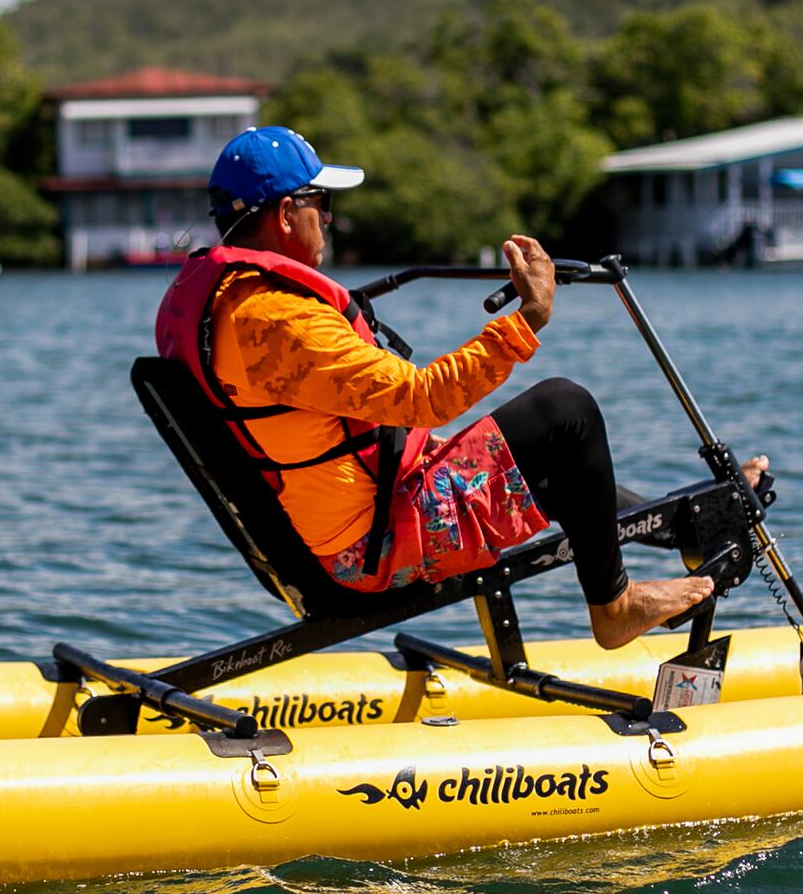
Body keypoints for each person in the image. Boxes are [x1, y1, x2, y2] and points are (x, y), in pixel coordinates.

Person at [154, 126, 766, 650]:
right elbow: (426, 397)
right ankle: (615, 608)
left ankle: (686, 525)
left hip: (330, 530)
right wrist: (526, 320)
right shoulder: (282, 324)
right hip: (371, 550)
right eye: (321, 200)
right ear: (287, 214)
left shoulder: (228, 307)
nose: (332, 216)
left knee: (540, 458)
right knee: (565, 410)